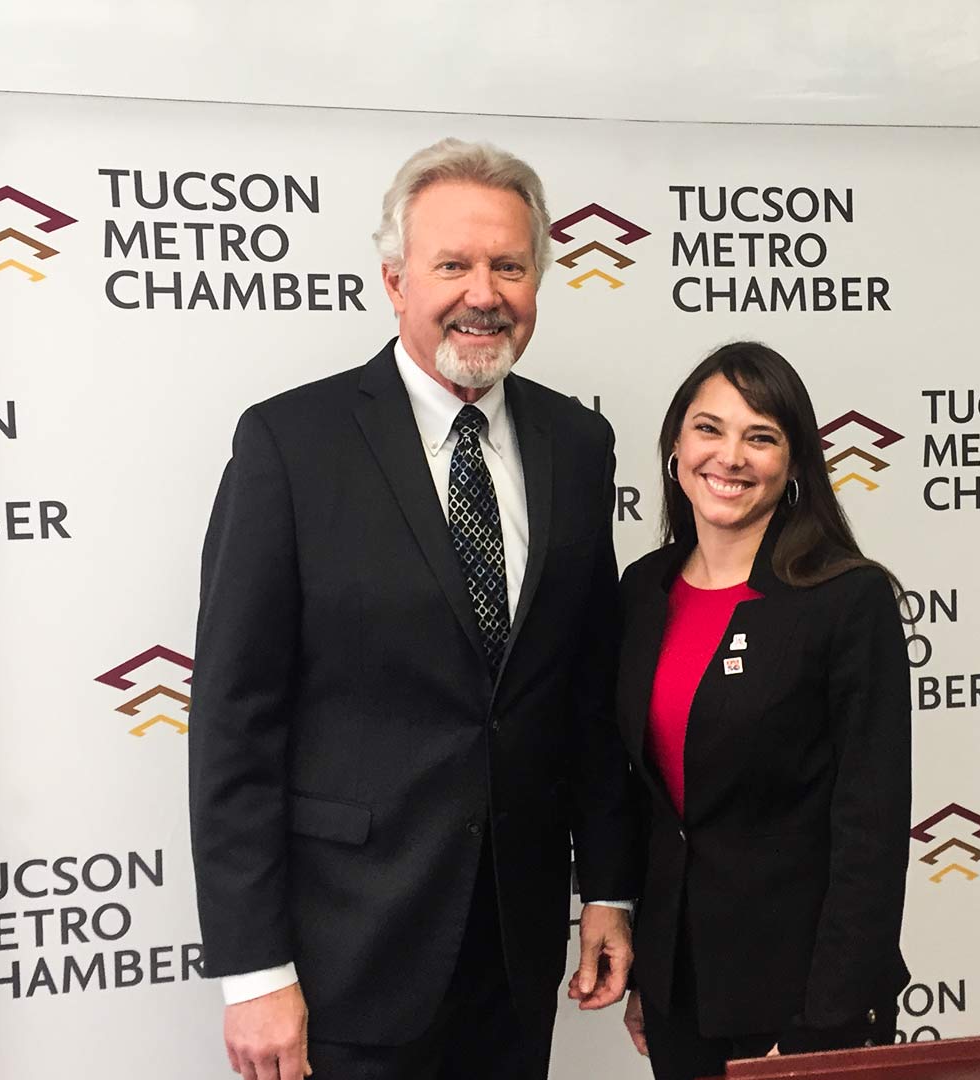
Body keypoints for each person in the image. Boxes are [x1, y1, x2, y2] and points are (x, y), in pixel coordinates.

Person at [188, 138, 641, 1080]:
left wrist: (609, 889)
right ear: (395, 281)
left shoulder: (578, 443)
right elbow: (235, 726)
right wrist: (253, 970)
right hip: (345, 959)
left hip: (514, 956)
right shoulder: (289, 445)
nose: (484, 292)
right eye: (454, 264)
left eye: (509, 266)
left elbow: (588, 692)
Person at [615, 342, 911, 1079]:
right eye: (709, 428)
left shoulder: (848, 599)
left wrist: (826, 1026)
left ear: (795, 462)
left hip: (801, 1001)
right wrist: (655, 969)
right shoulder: (642, 590)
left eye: (762, 436)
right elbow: (654, 806)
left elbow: (870, 830)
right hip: (682, 990)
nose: (731, 457)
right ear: (676, 444)